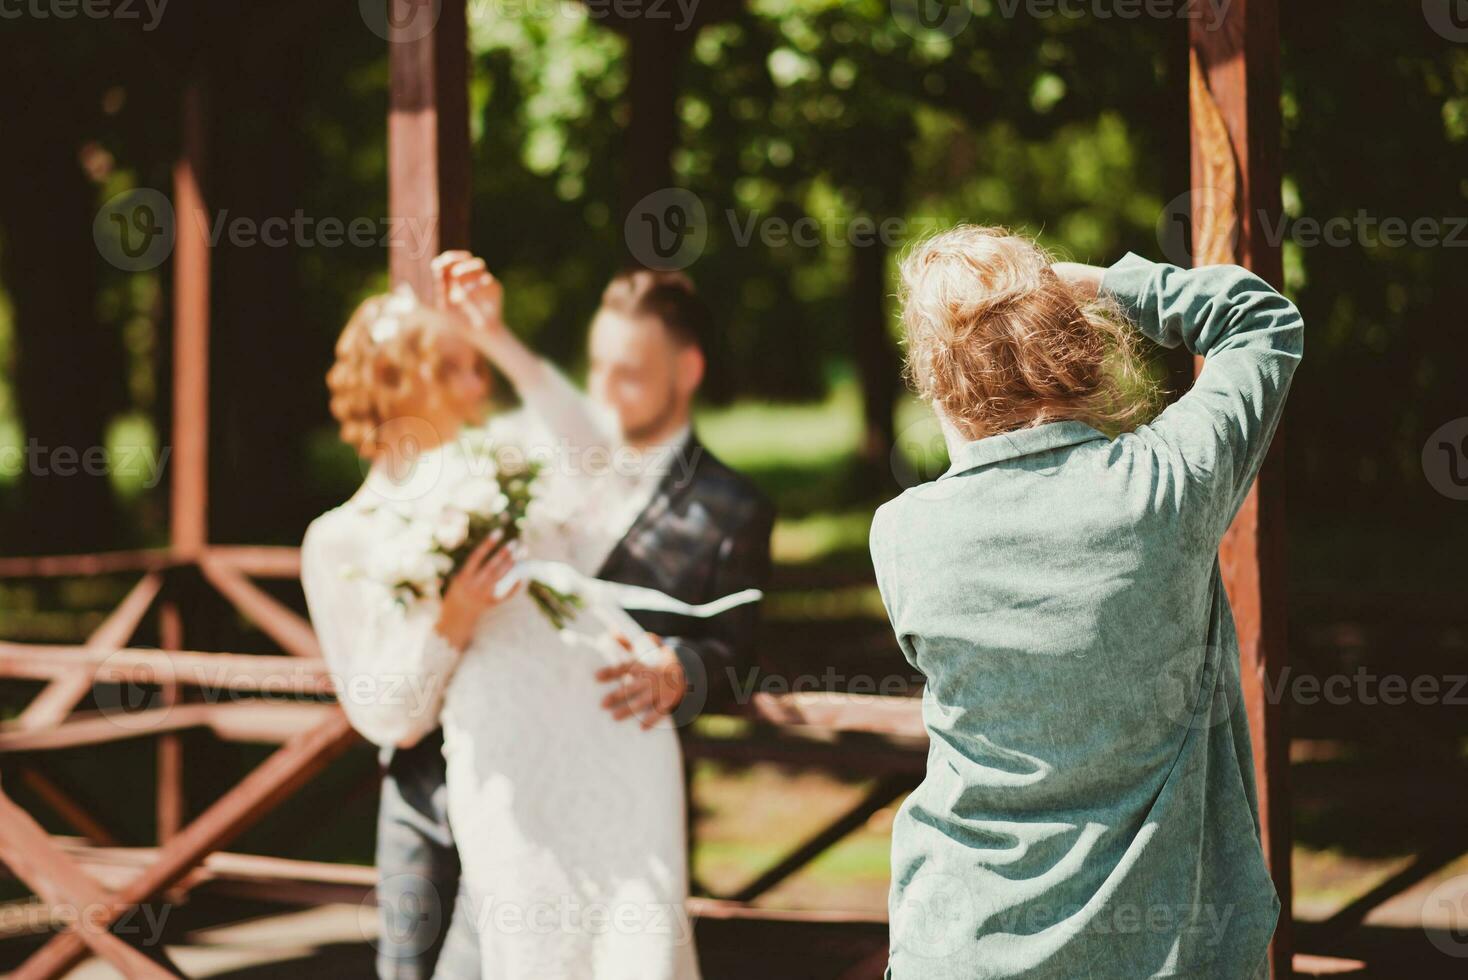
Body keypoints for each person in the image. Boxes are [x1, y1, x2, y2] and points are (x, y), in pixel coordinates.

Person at [304, 257, 772, 979]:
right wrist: (452, 620)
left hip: (580, 773)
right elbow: (385, 715)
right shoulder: (338, 540)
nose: (480, 383)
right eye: (459, 366)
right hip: (440, 794)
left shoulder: (502, 473)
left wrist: (496, 335)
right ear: (400, 382)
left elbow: (591, 452)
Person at [870, 226, 1302, 979]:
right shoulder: (1165, 487)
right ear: (1068, 341)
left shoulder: (902, 535)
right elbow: (1260, 319)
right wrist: (1107, 283)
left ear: (935, 378)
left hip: (960, 946)